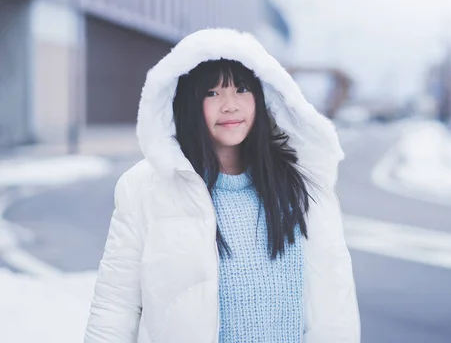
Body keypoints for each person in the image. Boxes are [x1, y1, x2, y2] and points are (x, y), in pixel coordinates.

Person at [84, 28, 360, 343]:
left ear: (262, 96)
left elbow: (336, 305)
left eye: (242, 89)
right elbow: (115, 304)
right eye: (212, 93)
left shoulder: (302, 186)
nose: (230, 105)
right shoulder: (146, 187)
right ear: (188, 102)